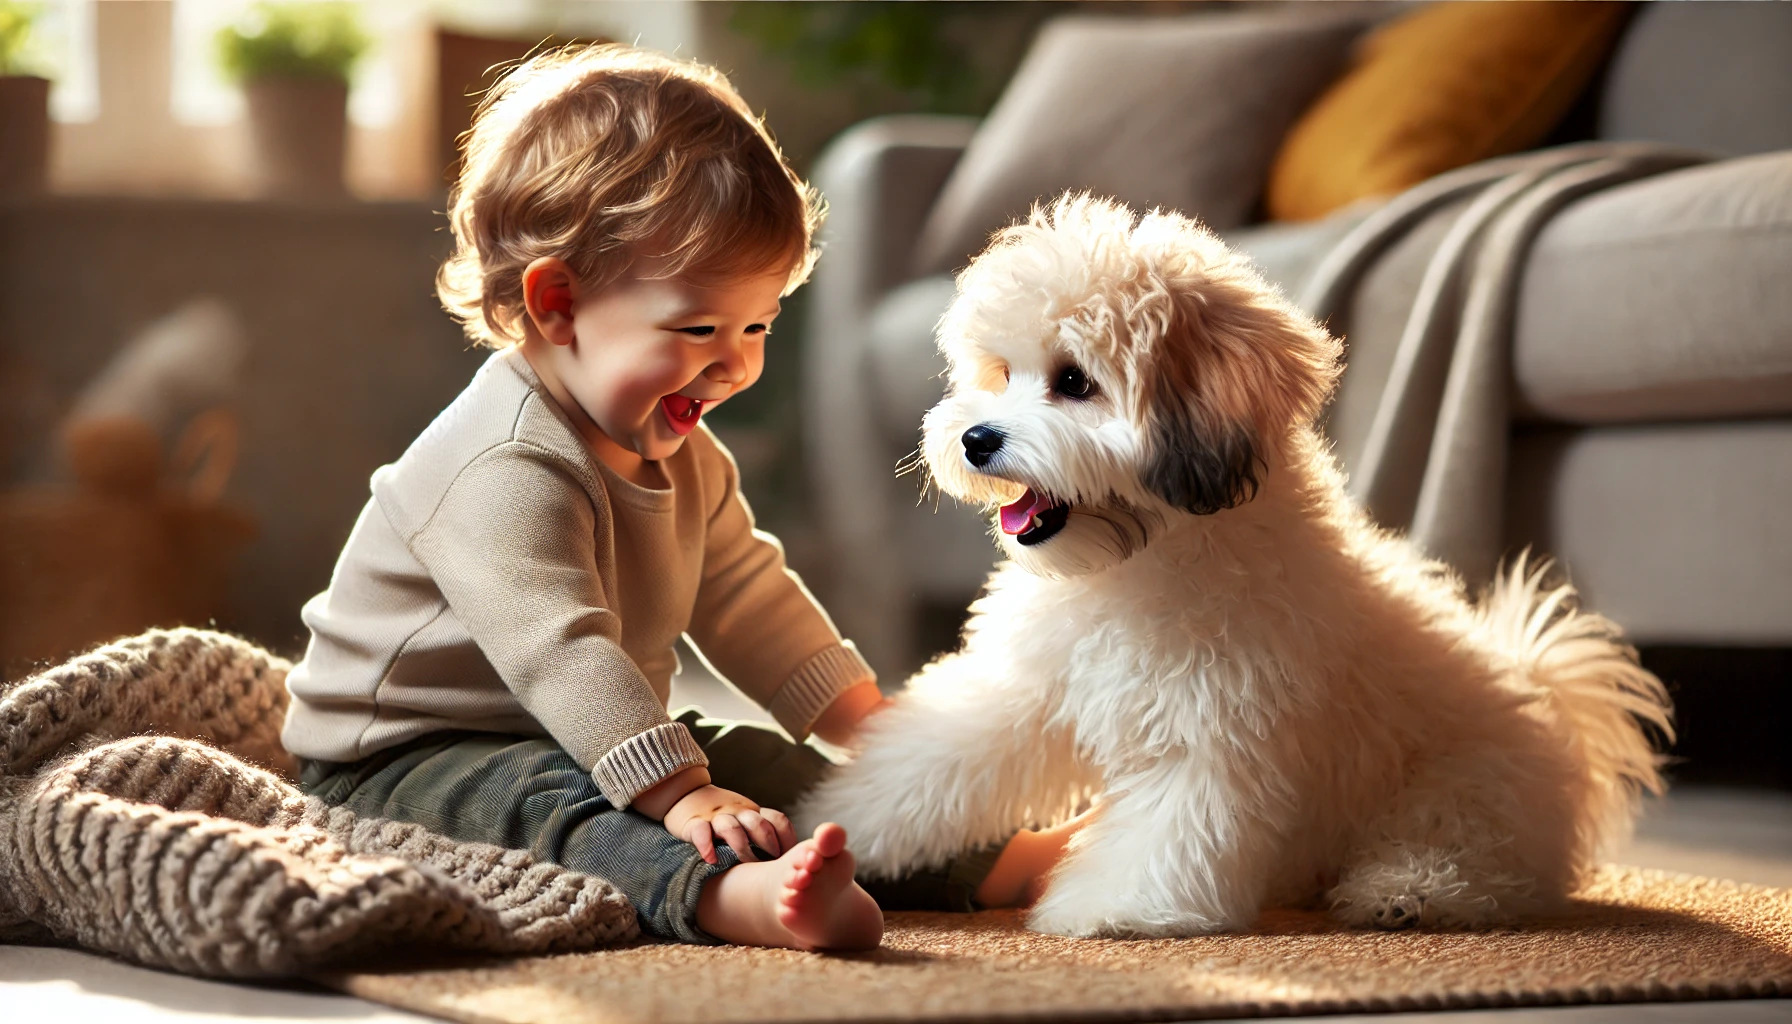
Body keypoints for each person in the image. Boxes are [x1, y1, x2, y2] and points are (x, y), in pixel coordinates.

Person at [280, 43, 894, 951]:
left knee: (769, 764)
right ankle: (736, 902)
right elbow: (559, 654)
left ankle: (987, 860)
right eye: (699, 327)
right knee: (556, 811)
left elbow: (747, 598)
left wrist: (872, 729)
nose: (737, 363)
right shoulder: (503, 463)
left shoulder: (685, 452)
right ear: (558, 304)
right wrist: (682, 796)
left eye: (759, 324)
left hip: (591, 731)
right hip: (404, 758)